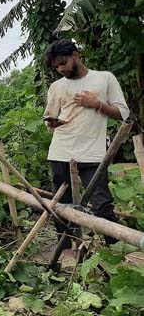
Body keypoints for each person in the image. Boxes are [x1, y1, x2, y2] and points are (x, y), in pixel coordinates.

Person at [43, 39, 129, 251]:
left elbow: (123, 113)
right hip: (61, 151)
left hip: (93, 153)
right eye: (56, 67)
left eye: (63, 62)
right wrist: (52, 122)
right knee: (61, 205)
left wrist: (97, 104)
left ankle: (115, 252)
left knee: (102, 203)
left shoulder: (104, 79)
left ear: (76, 55)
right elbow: (50, 118)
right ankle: (65, 251)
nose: (60, 69)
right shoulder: (57, 87)